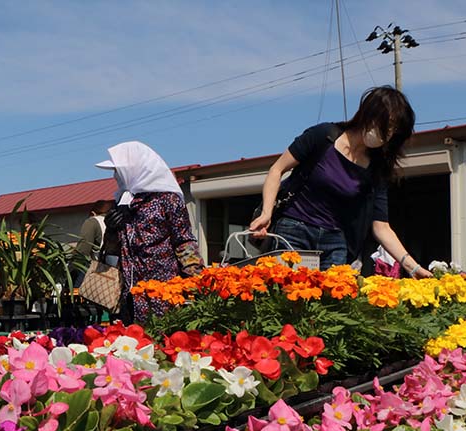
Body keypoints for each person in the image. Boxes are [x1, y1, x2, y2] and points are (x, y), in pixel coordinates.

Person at [249, 86, 432, 277]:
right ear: (369, 113)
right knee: (288, 296)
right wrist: (266, 213)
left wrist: (413, 267)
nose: (387, 133)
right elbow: (276, 170)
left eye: (394, 130)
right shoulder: (323, 136)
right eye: (387, 124)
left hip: (335, 242)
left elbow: (381, 227)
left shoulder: (377, 168)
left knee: (332, 303)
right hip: (294, 231)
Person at [96, 141, 204, 323]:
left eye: (118, 170)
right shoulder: (121, 202)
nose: (115, 176)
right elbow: (112, 252)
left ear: (134, 169)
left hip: (163, 293)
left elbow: (184, 241)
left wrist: (197, 283)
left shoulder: (167, 200)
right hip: (128, 295)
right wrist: (111, 231)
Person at [71, 199, 114, 287]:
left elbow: (83, 250)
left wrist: (71, 265)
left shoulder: (93, 222)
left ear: (93, 213)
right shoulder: (119, 221)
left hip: (101, 271)